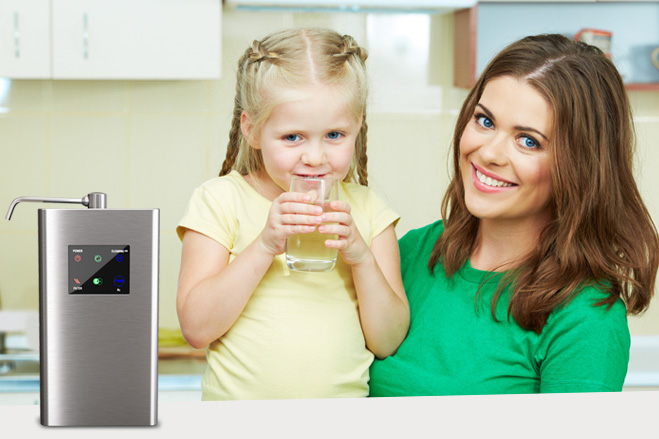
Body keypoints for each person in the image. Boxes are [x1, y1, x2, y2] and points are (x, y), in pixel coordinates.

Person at [369, 33, 659, 395]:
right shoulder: (413, 252)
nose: (489, 153)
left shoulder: (585, 318)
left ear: (579, 166)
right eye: (485, 121)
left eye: (528, 141)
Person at [176, 28, 409, 400]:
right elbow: (196, 328)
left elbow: (388, 341)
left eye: (334, 135)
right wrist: (265, 244)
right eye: (292, 137)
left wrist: (362, 257)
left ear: (358, 127)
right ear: (251, 129)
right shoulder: (220, 201)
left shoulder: (367, 210)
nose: (315, 157)